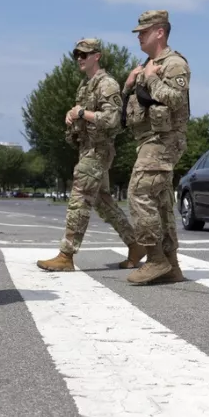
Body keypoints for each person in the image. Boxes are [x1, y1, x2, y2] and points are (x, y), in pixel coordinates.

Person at [37, 38, 145, 272]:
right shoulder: (85, 86)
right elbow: (82, 113)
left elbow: (113, 120)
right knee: (103, 203)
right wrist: (72, 114)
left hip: (98, 151)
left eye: (84, 55)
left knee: (79, 199)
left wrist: (83, 112)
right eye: (77, 55)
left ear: (97, 56)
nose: (79, 59)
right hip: (87, 148)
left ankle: (66, 255)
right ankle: (135, 244)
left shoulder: (107, 84)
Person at [122, 10, 190, 285]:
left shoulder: (174, 64)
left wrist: (150, 78)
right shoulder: (147, 64)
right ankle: (171, 265)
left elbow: (174, 99)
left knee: (138, 193)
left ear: (160, 32)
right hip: (148, 141)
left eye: (144, 31)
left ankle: (155, 258)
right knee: (161, 204)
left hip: (164, 140)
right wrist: (128, 86)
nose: (139, 36)